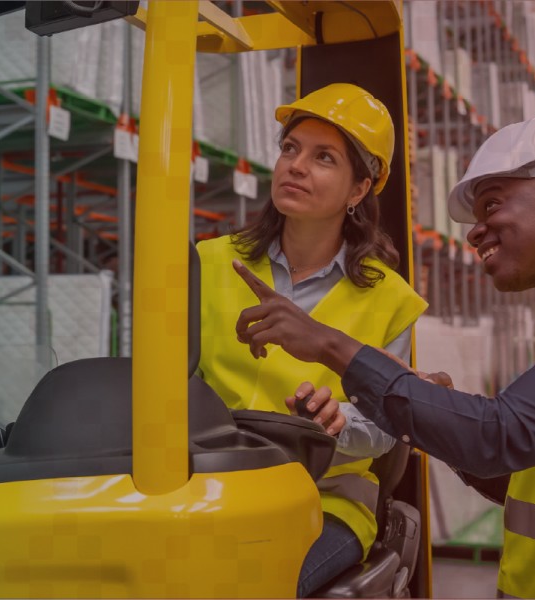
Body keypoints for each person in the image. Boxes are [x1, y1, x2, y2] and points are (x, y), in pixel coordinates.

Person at [231, 116, 535, 598]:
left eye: (492, 205)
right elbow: (527, 479)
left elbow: (500, 436)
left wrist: (328, 344)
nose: (475, 233)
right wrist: (433, 406)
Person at [196, 83, 427, 597]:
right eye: (290, 149)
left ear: (359, 190)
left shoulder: (391, 300)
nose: (295, 166)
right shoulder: (209, 262)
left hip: (326, 500)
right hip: (211, 486)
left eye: (324, 157)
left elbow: (388, 427)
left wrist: (337, 422)